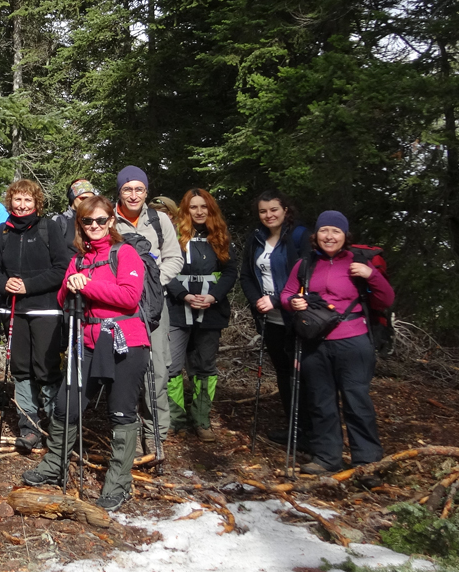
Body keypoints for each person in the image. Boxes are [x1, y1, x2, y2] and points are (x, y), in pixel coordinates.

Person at [23, 196, 149, 512]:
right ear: (80, 224)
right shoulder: (79, 259)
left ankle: (119, 483)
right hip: (88, 342)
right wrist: (73, 285)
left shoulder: (126, 253)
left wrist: (87, 285)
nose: (94, 226)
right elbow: (64, 295)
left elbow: (130, 297)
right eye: (87, 221)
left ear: (112, 222)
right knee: (67, 405)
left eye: (101, 220)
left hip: (126, 342)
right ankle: (54, 465)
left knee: (121, 412)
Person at [280, 211, 394, 475]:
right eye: (324, 231)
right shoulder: (305, 264)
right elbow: (286, 294)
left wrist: (371, 275)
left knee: (357, 401)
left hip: (353, 342)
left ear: (345, 236)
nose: (329, 237)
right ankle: (327, 458)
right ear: (316, 235)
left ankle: (367, 462)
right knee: (321, 401)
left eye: (336, 232)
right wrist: (292, 302)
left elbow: (386, 299)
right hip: (315, 342)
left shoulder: (359, 262)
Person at [0, 179, 71, 450]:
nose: (22, 205)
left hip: (46, 309)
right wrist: (2, 283)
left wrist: (29, 285)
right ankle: (29, 426)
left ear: (36, 203)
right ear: (10, 202)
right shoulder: (3, 232)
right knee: (21, 369)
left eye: (27, 200)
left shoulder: (49, 228)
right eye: (17, 200)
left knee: (46, 369)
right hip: (14, 311)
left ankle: (56, 426)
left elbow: (62, 268)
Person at [113, 165, 183, 452]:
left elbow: (175, 258)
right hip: (120, 306)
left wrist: (152, 283)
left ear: (146, 191)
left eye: (138, 189)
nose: (133, 195)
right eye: (127, 189)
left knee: (157, 369)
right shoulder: (108, 219)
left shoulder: (159, 220)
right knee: (125, 367)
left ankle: (156, 434)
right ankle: (126, 430)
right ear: (119, 191)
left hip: (154, 306)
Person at [239, 189, 310, 446]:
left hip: (296, 317)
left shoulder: (300, 237)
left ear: (285, 211)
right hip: (270, 318)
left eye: (273, 210)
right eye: (263, 211)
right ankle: (294, 428)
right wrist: (257, 300)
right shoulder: (256, 239)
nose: (268, 215)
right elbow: (246, 274)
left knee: (301, 373)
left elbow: (307, 278)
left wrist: (278, 298)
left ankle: (310, 431)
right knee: (283, 372)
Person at [165, 189, 238, 442]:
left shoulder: (219, 237)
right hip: (177, 309)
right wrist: (183, 294)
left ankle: (201, 419)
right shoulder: (174, 236)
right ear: (185, 210)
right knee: (172, 365)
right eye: (193, 207)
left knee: (205, 365)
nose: (198, 211)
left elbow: (230, 271)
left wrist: (213, 296)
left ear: (210, 209)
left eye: (203, 207)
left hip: (210, 310)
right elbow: (166, 269)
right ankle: (176, 419)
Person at [53, 179, 98, 246]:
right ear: (73, 198)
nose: (88, 202)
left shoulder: (98, 221)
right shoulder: (60, 221)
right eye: (83, 198)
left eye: (91, 199)